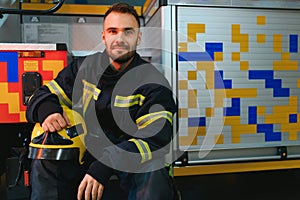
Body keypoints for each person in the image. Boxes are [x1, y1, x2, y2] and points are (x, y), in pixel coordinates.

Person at [26, 2, 178, 200]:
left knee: (152, 168)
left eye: (128, 32)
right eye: (113, 31)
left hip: (129, 158)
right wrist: (49, 111)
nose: (119, 39)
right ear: (104, 36)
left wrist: (105, 164)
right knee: (46, 148)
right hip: (85, 155)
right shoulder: (84, 69)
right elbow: (42, 95)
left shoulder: (154, 82)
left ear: (138, 38)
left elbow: (155, 137)